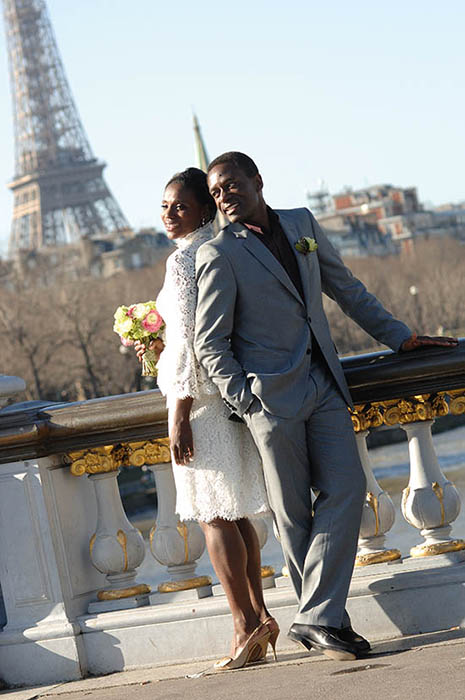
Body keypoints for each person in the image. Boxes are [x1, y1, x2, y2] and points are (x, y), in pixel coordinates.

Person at [194, 151, 458, 661]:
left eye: (232, 186)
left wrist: (398, 336)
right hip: (269, 400)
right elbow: (211, 344)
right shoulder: (218, 253)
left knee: (347, 487)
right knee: (293, 517)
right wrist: (248, 401)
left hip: (325, 383)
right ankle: (331, 625)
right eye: (217, 193)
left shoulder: (302, 224)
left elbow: (346, 289)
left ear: (258, 182)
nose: (224, 198)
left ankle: (315, 618)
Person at [134, 167, 278, 670]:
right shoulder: (221, 247)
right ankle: (258, 616)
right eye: (164, 206)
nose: (169, 215)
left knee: (213, 516)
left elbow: (193, 340)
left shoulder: (183, 260)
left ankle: (243, 625)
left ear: (201, 208)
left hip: (197, 403)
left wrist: (179, 413)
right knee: (234, 514)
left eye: (179, 206)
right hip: (225, 398)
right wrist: (155, 343)